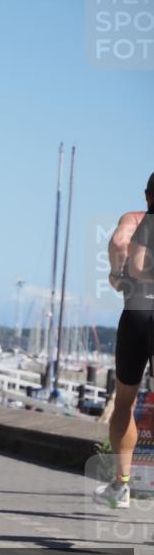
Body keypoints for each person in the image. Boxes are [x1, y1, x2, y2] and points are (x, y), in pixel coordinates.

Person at [97, 171, 154, 509]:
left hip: (136, 314)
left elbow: (120, 243)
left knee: (124, 403)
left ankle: (122, 485)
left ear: (147, 195)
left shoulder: (134, 219)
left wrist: (118, 274)